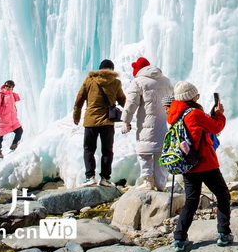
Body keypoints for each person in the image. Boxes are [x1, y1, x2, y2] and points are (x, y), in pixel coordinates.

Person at [169, 81, 231, 252]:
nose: (198, 96)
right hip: (205, 163)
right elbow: (216, 127)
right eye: (195, 94)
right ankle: (224, 233)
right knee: (223, 195)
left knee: (191, 201)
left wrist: (210, 115)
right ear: (190, 96)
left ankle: (179, 238)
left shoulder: (176, 114)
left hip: (188, 165)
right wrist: (219, 115)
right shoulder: (194, 113)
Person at [122, 56, 174, 191]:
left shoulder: (138, 82)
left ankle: (148, 181)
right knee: (160, 153)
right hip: (163, 124)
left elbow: (131, 103)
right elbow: (172, 102)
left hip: (146, 124)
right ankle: (161, 184)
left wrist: (126, 120)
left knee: (145, 152)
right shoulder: (166, 81)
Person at [73, 59, 125, 187]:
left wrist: (76, 115)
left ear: (100, 69)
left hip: (91, 121)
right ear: (112, 69)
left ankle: (90, 176)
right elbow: (123, 100)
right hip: (108, 121)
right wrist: (130, 114)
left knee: (89, 149)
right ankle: (105, 178)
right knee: (107, 150)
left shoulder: (89, 80)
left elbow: (79, 98)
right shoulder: (116, 82)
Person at [0, 80, 22, 158]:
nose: (8, 87)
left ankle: (14, 144)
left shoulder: (12, 94)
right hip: (3, 119)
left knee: (19, 131)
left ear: (12, 87)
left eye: (10, 86)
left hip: (12, 119)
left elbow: (19, 97)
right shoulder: (1, 95)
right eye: (6, 86)